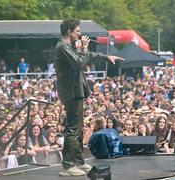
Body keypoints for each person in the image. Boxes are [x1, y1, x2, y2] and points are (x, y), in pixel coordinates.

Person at [54, 19, 123, 176]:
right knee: (72, 129)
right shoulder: (62, 47)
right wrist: (84, 48)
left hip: (76, 90)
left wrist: (106, 57)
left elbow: (87, 56)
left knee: (77, 129)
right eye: (77, 31)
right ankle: (68, 165)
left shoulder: (68, 47)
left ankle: (78, 161)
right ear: (69, 32)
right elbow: (79, 62)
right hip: (71, 91)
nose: (80, 33)